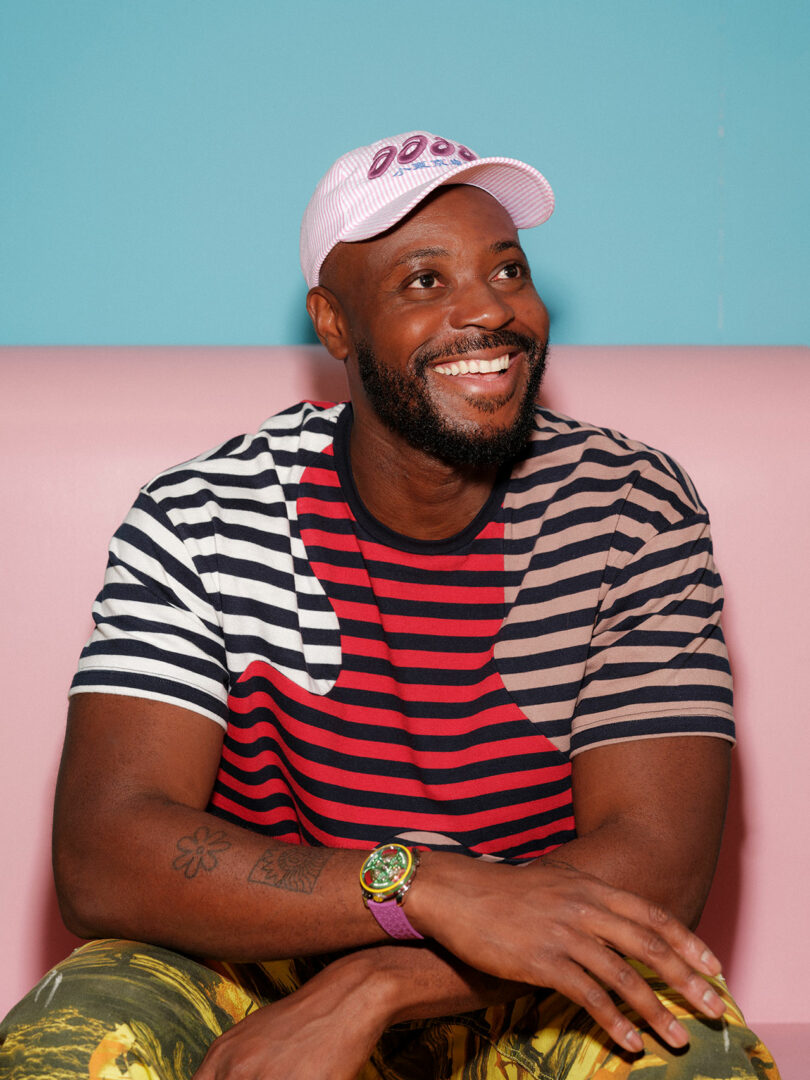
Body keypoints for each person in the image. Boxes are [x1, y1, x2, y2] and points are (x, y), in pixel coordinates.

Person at [0, 130, 780, 1080]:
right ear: (335, 326)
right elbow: (102, 851)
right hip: (252, 977)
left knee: (692, 1052)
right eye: (424, 281)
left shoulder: (628, 509)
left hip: (534, 978)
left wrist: (374, 984)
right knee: (72, 1040)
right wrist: (420, 885)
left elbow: (659, 861)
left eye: (508, 271)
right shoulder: (205, 516)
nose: (488, 311)